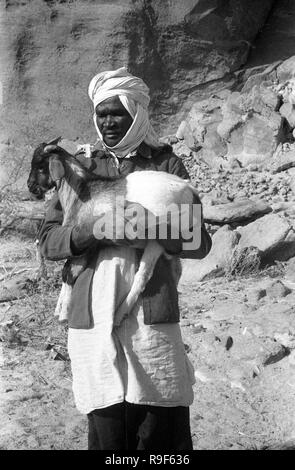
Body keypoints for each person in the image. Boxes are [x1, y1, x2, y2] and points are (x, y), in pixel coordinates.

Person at [38, 67, 212, 450]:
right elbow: (49, 241)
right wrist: (90, 232)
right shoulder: (80, 165)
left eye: (117, 112)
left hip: (151, 307)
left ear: (136, 112)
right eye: (102, 113)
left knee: (157, 419)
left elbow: (199, 241)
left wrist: (143, 230)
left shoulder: (166, 164)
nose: (109, 122)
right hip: (91, 308)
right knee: (107, 425)